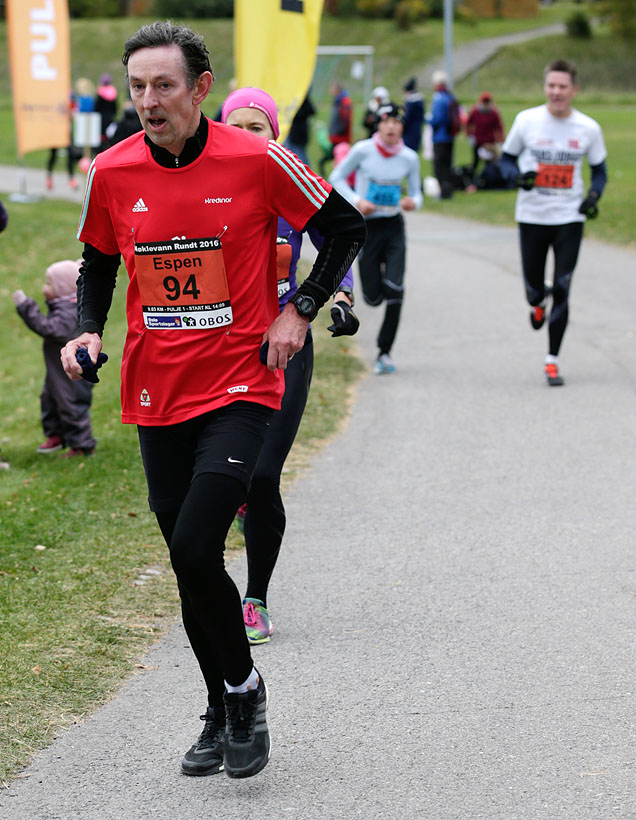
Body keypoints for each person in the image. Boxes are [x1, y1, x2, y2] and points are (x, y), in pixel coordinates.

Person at [60, 21, 365, 780]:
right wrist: (87, 329)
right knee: (188, 565)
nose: (148, 101)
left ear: (200, 88)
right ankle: (220, 706)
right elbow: (98, 262)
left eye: (164, 85)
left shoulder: (257, 158)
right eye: (138, 86)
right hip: (156, 390)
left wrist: (300, 309)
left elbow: (345, 227)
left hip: (240, 383)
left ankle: (243, 690)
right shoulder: (112, 170)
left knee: (198, 546)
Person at [221, 87, 359, 645]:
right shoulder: (206, 186)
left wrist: (341, 297)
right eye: (236, 126)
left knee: (260, 477)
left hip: (284, 343)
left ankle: (254, 598)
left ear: (274, 136)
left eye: (257, 127)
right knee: (215, 480)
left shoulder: (290, 180)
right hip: (220, 347)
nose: (247, 137)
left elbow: (338, 237)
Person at [500, 58, 607, 387]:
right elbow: (506, 160)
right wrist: (518, 178)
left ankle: (552, 360)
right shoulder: (526, 120)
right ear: (545, 87)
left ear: (574, 90)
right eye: (551, 85)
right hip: (532, 217)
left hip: (569, 219)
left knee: (563, 287)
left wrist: (593, 197)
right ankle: (536, 302)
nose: (556, 92)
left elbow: (599, 172)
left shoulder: (588, 128)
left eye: (563, 86)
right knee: (534, 289)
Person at [329, 102, 422, 375]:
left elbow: (417, 193)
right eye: (386, 122)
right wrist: (357, 201)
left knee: (396, 289)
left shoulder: (409, 157)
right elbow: (336, 177)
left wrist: (412, 202)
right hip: (367, 227)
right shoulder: (363, 150)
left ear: (402, 127)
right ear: (378, 125)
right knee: (372, 297)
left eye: (396, 122)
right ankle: (379, 291)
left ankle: (384, 351)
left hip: (393, 226)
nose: (391, 127)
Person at [13, 259, 97, 457]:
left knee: (71, 405)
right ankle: (56, 435)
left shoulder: (70, 312)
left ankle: (82, 445)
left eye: (49, 284)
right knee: (49, 400)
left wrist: (26, 307)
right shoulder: (64, 306)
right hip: (57, 372)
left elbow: (49, 328)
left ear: (63, 288)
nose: (45, 288)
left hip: (71, 373)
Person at [428, 69, 456, 200]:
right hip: (450, 136)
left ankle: (444, 191)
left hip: (440, 136)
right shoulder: (450, 97)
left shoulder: (438, 98)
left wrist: (428, 120)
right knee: (448, 164)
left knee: (439, 166)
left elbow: (437, 119)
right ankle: (448, 189)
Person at [466, 92, 504, 175]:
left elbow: (499, 127)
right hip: (478, 141)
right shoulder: (475, 112)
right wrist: (470, 136)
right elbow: (468, 124)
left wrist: (500, 140)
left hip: (489, 143)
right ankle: (472, 177)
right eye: (484, 101)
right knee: (475, 162)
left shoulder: (494, 113)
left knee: (490, 163)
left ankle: (488, 177)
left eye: (487, 101)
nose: (486, 103)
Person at [319, 81, 352, 176]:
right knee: (333, 162)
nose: (330, 91)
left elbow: (345, 120)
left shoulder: (345, 102)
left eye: (332, 88)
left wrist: (337, 132)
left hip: (340, 139)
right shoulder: (337, 101)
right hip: (335, 138)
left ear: (337, 90)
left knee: (338, 163)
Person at [284, 92, 316, 167]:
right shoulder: (299, 98)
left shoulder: (301, 99)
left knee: (300, 155)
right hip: (295, 133)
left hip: (297, 134)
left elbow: (311, 111)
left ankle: (306, 172)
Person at [94, 73, 118, 153]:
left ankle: (100, 151)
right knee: (109, 135)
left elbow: (96, 107)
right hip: (110, 118)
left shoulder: (100, 92)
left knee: (101, 136)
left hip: (101, 119)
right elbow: (115, 108)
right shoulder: (113, 92)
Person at [402, 77, 425, 153]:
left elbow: (407, 117)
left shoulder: (411, 101)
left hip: (409, 132)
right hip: (417, 129)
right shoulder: (420, 99)